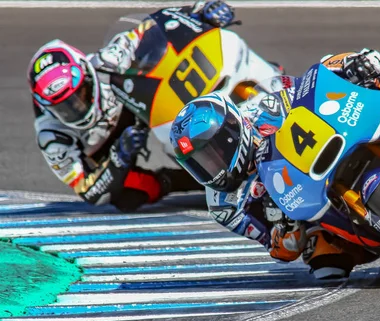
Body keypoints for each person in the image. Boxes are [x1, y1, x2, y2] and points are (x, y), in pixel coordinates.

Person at [168, 49, 380, 279]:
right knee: (324, 267)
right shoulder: (224, 204)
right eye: (198, 163)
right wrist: (284, 234)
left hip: (336, 141)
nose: (210, 167)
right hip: (311, 207)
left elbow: (309, 83)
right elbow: (277, 248)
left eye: (210, 154)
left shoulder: (263, 106)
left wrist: (350, 67)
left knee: (374, 71)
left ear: (232, 131)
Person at [27, 1, 237, 212]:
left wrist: (199, 14)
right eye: (63, 107)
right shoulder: (52, 138)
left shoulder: (107, 60)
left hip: (136, 105)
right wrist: (119, 157)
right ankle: (181, 180)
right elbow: (88, 191)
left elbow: (152, 28)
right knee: (125, 197)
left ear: (87, 73)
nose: (76, 108)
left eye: (79, 95)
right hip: (111, 151)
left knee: (161, 61)